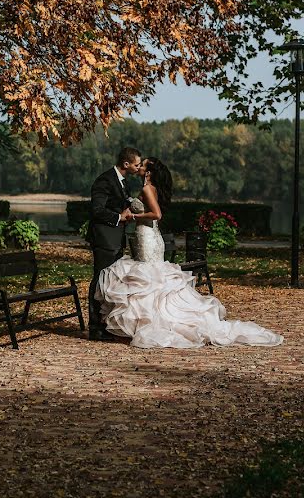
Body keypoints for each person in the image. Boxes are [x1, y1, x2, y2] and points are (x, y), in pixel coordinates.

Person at [95, 157, 284, 348]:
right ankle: (143, 322)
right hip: (149, 236)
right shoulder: (151, 189)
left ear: (149, 172)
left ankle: (150, 323)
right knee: (150, 277)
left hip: (148, 237)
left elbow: (157, 214)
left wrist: (134, 216)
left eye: (142, 165)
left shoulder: (147, 189)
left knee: (149, 276)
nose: (139, 168)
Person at [86, 147, 141, 341]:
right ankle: (95, 327)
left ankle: (107, 323)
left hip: (116, 238)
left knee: (111, 282)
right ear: (126, 164)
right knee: (99, 280)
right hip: (104, 238)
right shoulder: (104, 180)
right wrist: (119, 217)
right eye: (137, 164)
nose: (139, 167)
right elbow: (97, 210)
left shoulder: (123, 182)